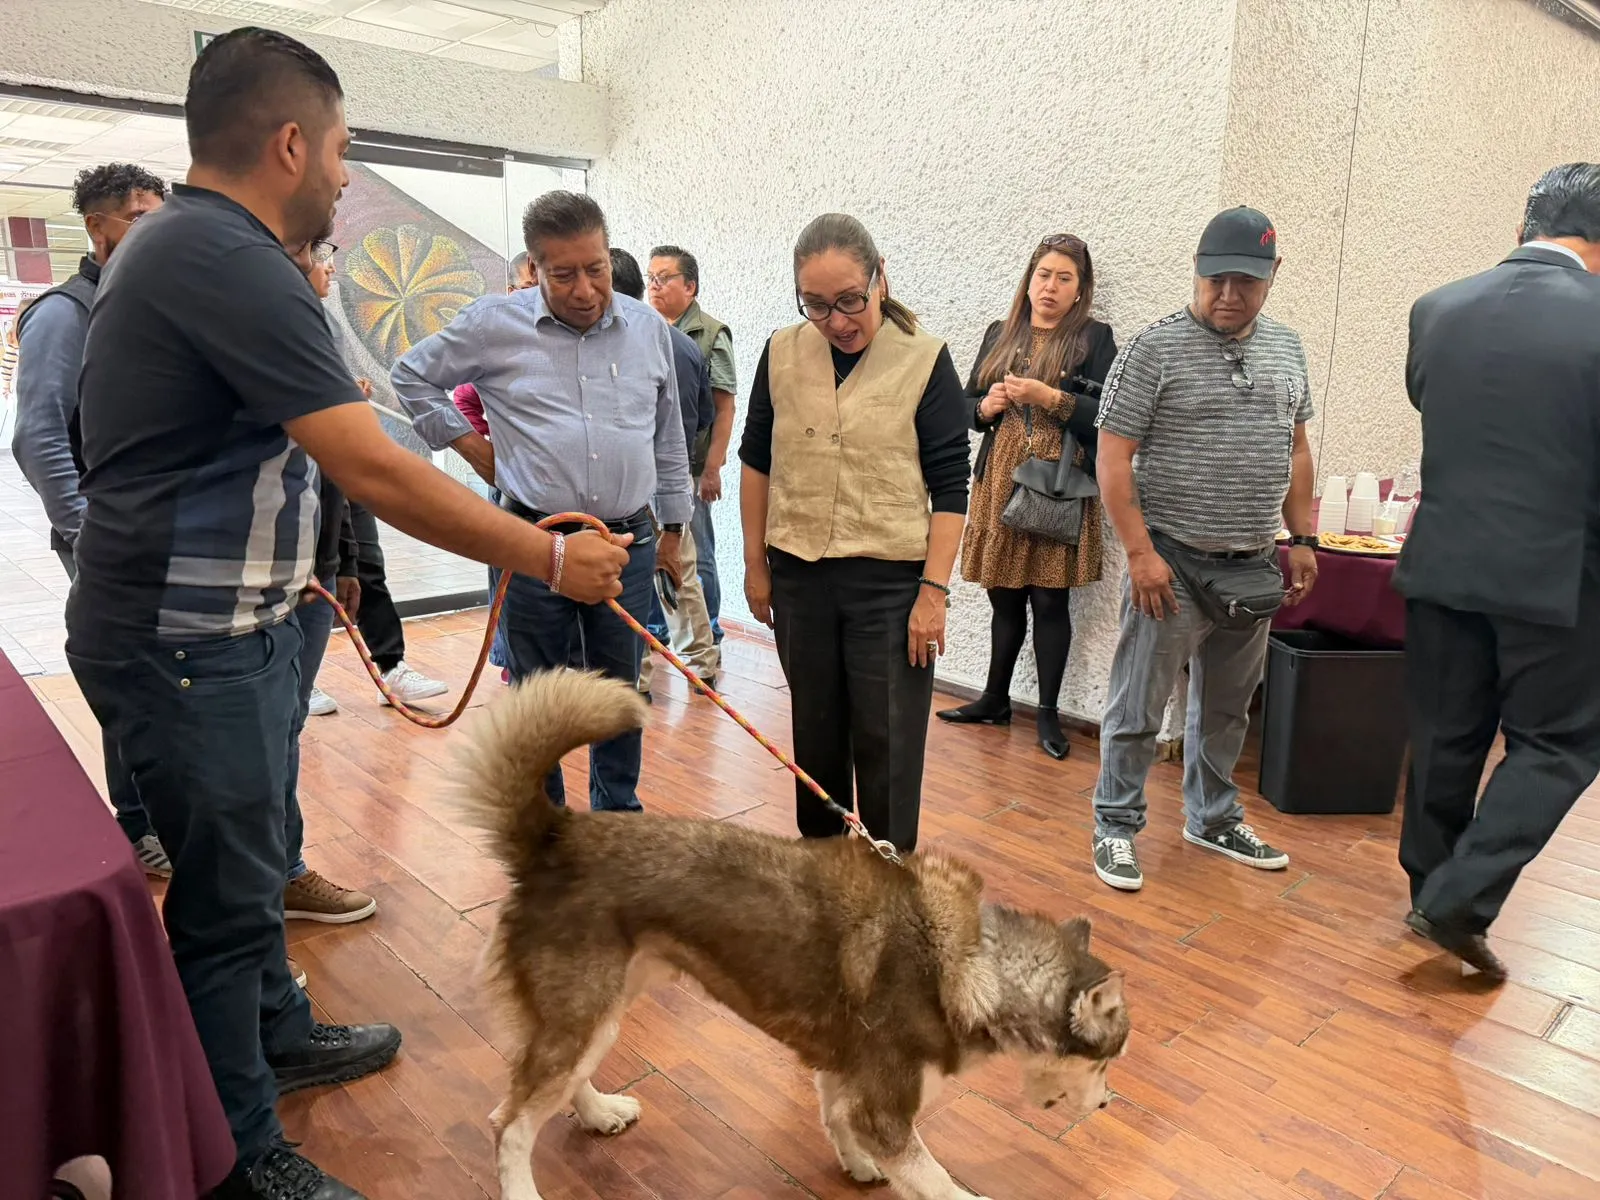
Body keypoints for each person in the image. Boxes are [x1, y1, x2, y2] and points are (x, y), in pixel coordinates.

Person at [65, 29, 628, 1198]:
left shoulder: (198, 249)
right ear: (287, 143)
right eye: (338, 151)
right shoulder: (222, 256)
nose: (339, 174)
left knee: (256, 861)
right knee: (222, 909)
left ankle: (277, 1030)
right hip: (187, 644)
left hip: (233, 631)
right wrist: (541, 554)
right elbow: (371, 463)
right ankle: (238, 1157)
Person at [392, 190, 690, 814]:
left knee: (619, 692)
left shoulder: (647, 330)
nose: (585, 290)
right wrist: (474, 450)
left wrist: (674, 527)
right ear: (533, 268)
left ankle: (618, 820)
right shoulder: (492, 325)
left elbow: (667, 434)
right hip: (531, 542)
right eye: (564, 274)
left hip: (625, 544)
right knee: (537, 696)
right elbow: (411, 376)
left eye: (597, 269)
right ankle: (546, 836)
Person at [1393, 163, 1600, 983]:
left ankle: (1430, 890)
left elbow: (1427, 403)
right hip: (1561, 574)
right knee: (1559, 745)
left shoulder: (1436, 308)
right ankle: (1459, 899)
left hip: (1442, 559)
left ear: (1523, 228)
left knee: (1445, 737)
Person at [1089, 205, 1318, 893]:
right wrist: (1138, 554)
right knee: (1139, 704)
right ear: (1196, 269)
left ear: (1274, 275)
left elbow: (1297, 449)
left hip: (1251, 564)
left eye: (1244, 281)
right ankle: (1116, 825)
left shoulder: (1287, 348)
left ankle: (1213, 817)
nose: (1226, 294)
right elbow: (1111, 459)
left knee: (1225, 707)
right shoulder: (1153, 350)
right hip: (1171, 564)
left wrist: (1301, 536)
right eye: (1214, 278)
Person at [738, 214, 969, 853]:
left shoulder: (925, 360)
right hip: (800, 578)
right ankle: (823, 874)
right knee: (815, 736)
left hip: (891, 589)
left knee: (887, 743)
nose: (838, 320)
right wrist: (756, 565)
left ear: (879, 279)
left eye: (850, 300)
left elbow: (952, 488)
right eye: (816, 305)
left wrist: (933, 593)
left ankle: (890, 886)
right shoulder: (781, 352)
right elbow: (756, 459)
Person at [11, 162, 170, 878]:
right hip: (108, 542)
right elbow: (37, 434)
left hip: (160, 536)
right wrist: (87, 534)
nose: (154, 232)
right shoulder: (64, 314)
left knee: (166, 679)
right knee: (132, 681)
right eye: (140, 217)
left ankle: (165, 810)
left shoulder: (142, 306)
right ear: (97, 226)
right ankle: (139, 825)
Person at [937, 234, 1119, 759]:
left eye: (1065, 278)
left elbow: (1107, 416)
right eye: (1044, 275)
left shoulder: (1093, 337)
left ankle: (1047, 715)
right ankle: (994, 699)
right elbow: (964, 408)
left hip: (1055, 488)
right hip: (998, 483)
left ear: (1080, 289)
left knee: (1049, 599)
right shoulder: (1002, 332)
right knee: (1003, 593)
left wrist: (1051, 398)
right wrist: (987, 406)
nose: (1051, 287)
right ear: (1029, 278)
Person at [615, 248, 717, 697]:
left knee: (628, 580)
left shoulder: (622, 341)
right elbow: (703, 416)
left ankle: (635, 678)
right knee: (681, 574)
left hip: (631, 486)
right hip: (672, 480)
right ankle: (702, 665)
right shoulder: (683, 343)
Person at [649, 244, 737, 644]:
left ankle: (710, 634)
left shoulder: (711, 334)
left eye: (664, 278)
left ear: (691, 286)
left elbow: (723, 409)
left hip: (692, 466)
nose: (654, 286)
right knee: (653, 555)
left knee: (697, 554)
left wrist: (713, 469)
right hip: (649, 467)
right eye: (651, 278)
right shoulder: (644, 329)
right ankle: (658, 634)